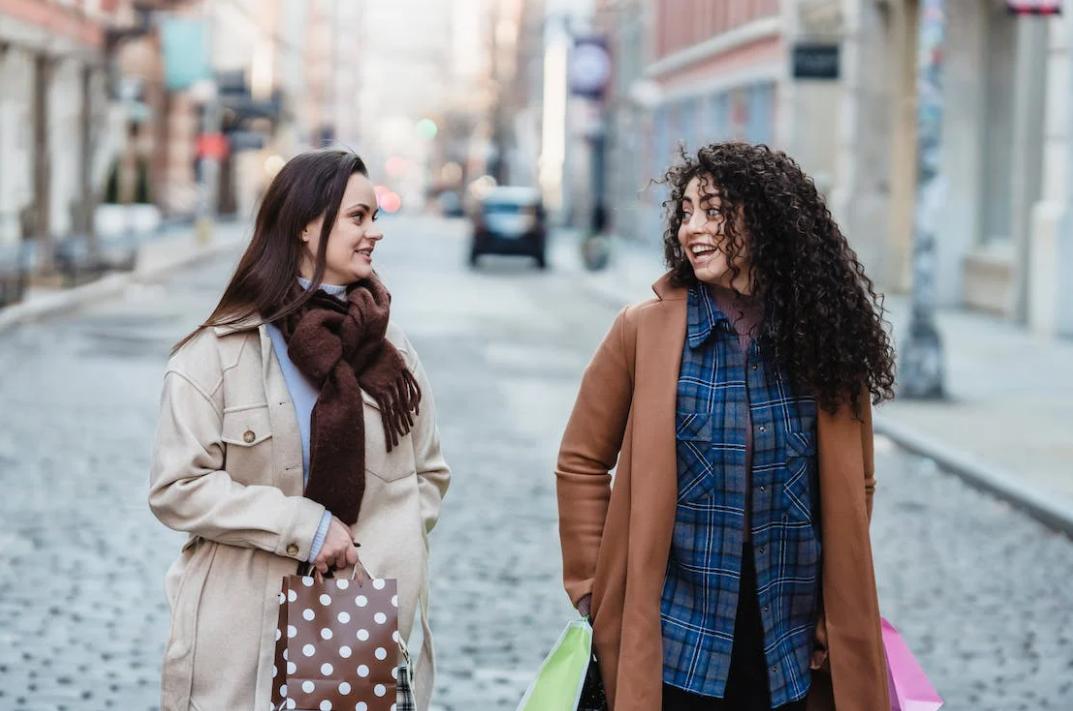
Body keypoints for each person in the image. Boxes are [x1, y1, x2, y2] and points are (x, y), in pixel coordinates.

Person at [556, 142, 896, 710]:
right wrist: (595, 589)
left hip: (787, 637)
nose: (692, 228)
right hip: (675, 635)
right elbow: (581, 461)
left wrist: (833, 607)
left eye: (713, 211)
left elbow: (855, 482)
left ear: (766, 223)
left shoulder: (824, 338)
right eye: (687, 211)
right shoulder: (643, 331)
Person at [149, 148, 450, 711]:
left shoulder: (391, 350)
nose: (374, 232)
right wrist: (304, 528)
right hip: (241, 632)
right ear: (305, 227)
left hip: (357, 620)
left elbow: (427, 474)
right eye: (358, 217)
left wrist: (382, 556)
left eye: (374, 217)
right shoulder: (218, 353)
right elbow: (177, 487)